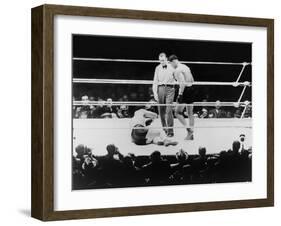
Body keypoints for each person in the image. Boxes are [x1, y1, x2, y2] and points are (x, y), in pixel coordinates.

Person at [169, 54, 195, 140]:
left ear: (173, 61)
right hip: (191, 88)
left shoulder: (177, 70)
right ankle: (191, 135)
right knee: (190, 113)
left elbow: (182, 83)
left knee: (177, 112)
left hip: (185, 90)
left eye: (171, 64)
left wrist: (180, 94)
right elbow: (192, 79)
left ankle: (189, 130)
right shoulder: (186, 67)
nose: (171, 66)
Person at [152, 52, 176, 137]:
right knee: (161, 110)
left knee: (169, 110)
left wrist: (175, 84)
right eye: (160, 60)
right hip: (160, 88)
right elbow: (155, 81)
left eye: (163, 60)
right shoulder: (157, 68)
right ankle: (165, 129)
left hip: (170, 88)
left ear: (166, 59)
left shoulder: (172, 66)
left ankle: (170, 131)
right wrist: (155, 92)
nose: (161, 62)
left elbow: (178, 76)